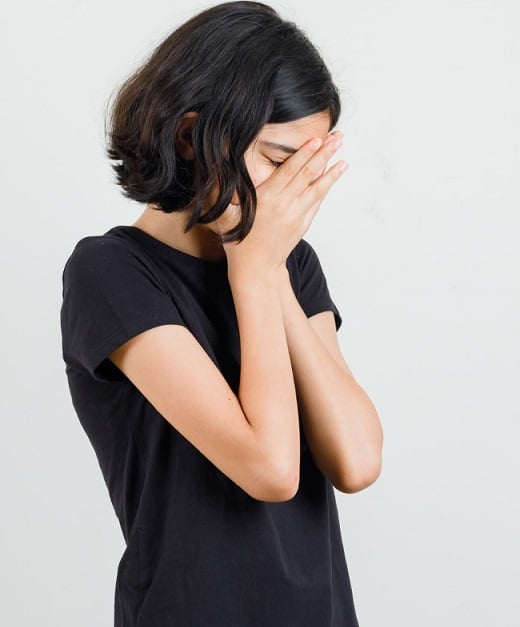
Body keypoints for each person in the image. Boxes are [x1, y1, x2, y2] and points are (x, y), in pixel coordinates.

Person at [58, 2, 384, 625]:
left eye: (311, 168)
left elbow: (357, 460)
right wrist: (255, 269)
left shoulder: (291, 265)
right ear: (190, 136)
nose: (296, 191)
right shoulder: (111, 273)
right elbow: (269, 469)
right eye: (279, 161)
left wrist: (267, 266)